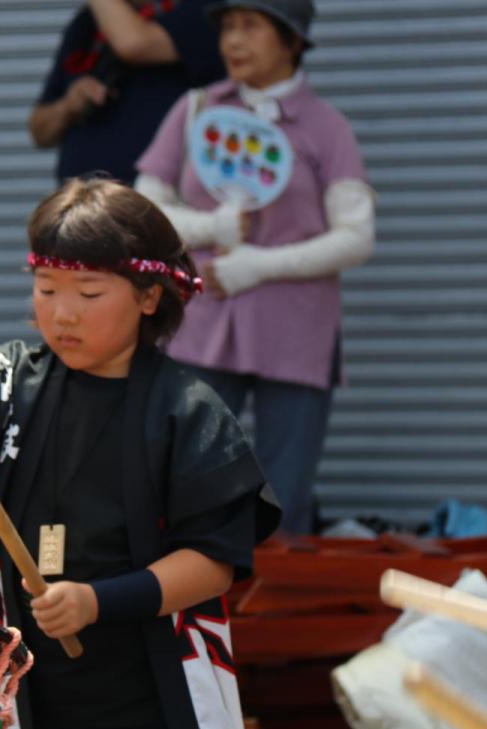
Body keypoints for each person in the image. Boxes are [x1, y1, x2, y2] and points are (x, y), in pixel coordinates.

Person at [0, 178, 278, 729]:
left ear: (149, 296)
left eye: (89, 292)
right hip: (31, 706)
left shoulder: (188, 409)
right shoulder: (12, 379)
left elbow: (212, 563)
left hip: (154, 710)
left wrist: (98, 601)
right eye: (47, 288)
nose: (62, 312)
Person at [134, 0, 374, 533]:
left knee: (284, 491)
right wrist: (210, 229)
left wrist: (260, 266)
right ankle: (194, 582)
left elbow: (357, 236)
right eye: (227, 27)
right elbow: (143, 208)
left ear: (291, 40)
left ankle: (274, 583)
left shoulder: (326, 127)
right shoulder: (195, 110)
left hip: (297, 331)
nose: (233, 41)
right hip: (201, 323)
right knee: (187, 476)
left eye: (251, 26)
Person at [29, 0, 225, 186]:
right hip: (81, 200)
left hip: (158, 201)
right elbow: (39, 132)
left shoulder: (204, 11)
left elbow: (134, 44)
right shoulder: (86, 22)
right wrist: (68, 106)